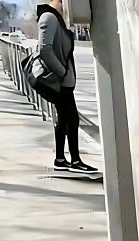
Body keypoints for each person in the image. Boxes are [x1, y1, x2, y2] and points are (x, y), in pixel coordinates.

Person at [36, 0, 98, 174]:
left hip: (63, 81)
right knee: (71, 119)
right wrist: (62, 72)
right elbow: (44, 49)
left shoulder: (56, 19)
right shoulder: (49, 18)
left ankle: (62, 159)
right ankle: (73, 160)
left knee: (65, 119)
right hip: (59, 82)